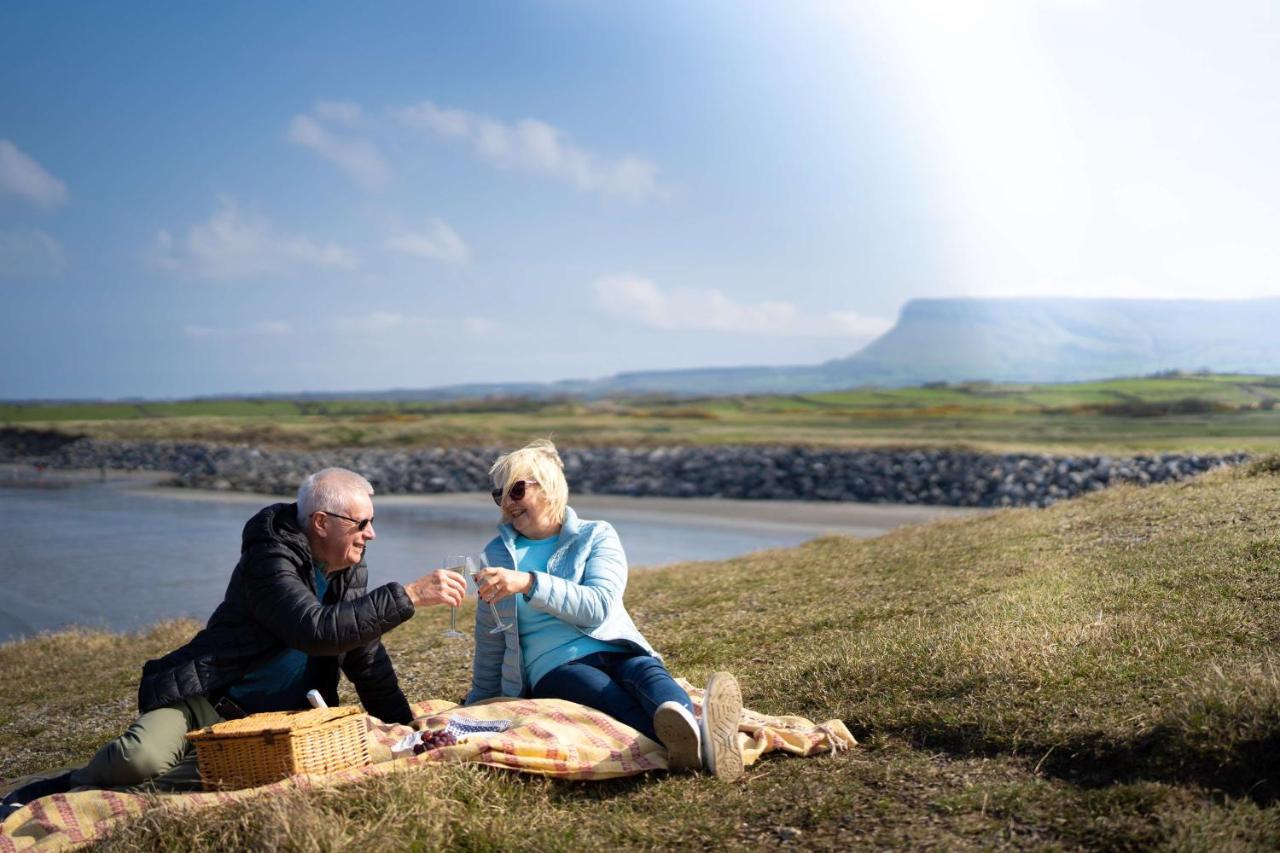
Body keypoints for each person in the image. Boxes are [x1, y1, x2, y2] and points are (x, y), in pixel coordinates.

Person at [1, 467, 466, 811]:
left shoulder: (348, 569)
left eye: (371, 523)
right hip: (205, 700)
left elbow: (363, 656)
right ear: (322, 523)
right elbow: (315, 632)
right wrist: (407, 595)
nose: (372, 534)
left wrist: (405, 726)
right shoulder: (268, 562)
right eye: (361, 524)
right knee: (138, 760)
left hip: (274, 722)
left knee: (234, 782)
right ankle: (63, 784)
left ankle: (137, 788)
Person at [466, 439, 744, 780]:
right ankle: (707, 741)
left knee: (649, 675)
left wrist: (529, 583)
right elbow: (490, 637)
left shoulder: (596, 535)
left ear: (549, 486)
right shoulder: (496, 556)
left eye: (516, 490)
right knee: (607, 696)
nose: (507, 503)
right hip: (555, 666)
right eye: (499, 495)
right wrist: (474, 706)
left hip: (616, 645)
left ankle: (692, 734)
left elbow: (597, 607)